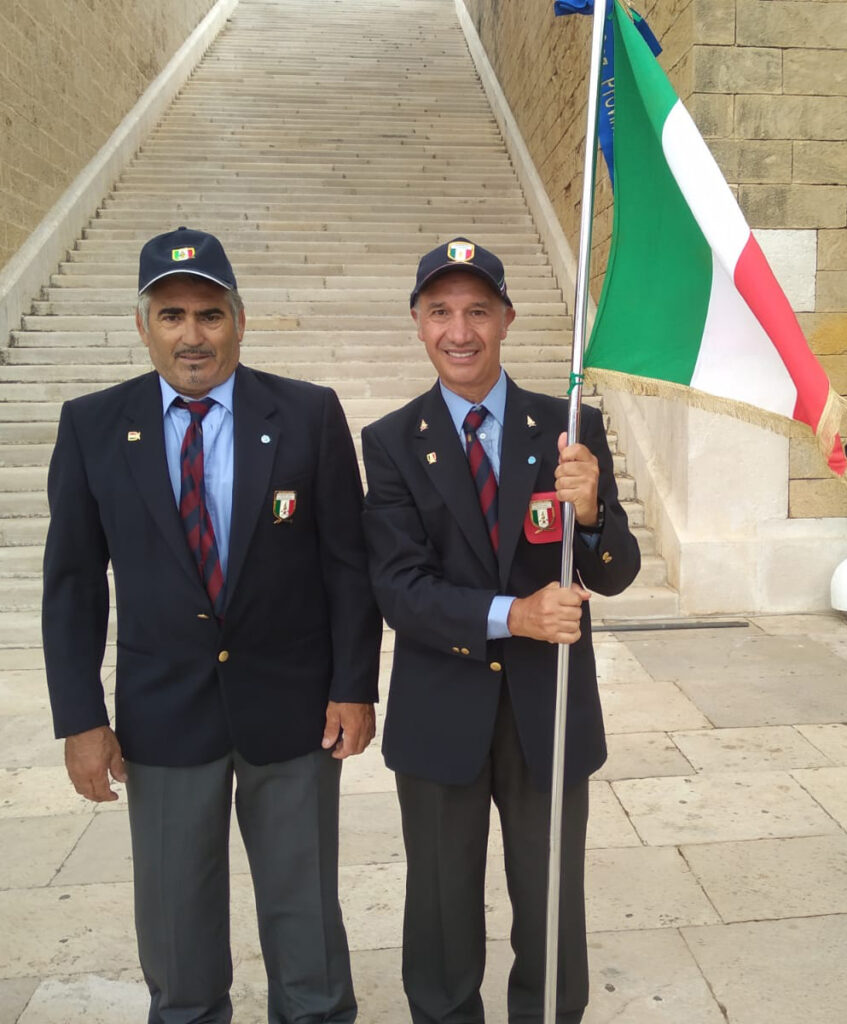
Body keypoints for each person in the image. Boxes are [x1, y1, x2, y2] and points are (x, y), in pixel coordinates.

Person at [42, 226, 382, 1024]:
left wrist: (353, 687)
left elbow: (346, 565)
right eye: (171, 316)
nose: (191, 335)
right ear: (142, 326)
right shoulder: (93, 425)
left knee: (305, 918)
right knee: (175, 926)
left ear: (238, 318)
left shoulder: (305, 414)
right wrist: (81, 720)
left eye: (208, 313)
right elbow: (71, 585)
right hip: (162, 714)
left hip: (294, 709)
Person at [360, 238, 641, 1023]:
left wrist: (588, 517)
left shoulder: (565, 425)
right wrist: (511, 615)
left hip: (545, 715)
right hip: (440, 710)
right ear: (417, 323)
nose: (460, 331)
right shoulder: (388, 442)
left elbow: (616, 569)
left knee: (551, 909)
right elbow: (400, 589)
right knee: (442, 917)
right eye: (441, 311)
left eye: (477, 311)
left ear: (507, 319)